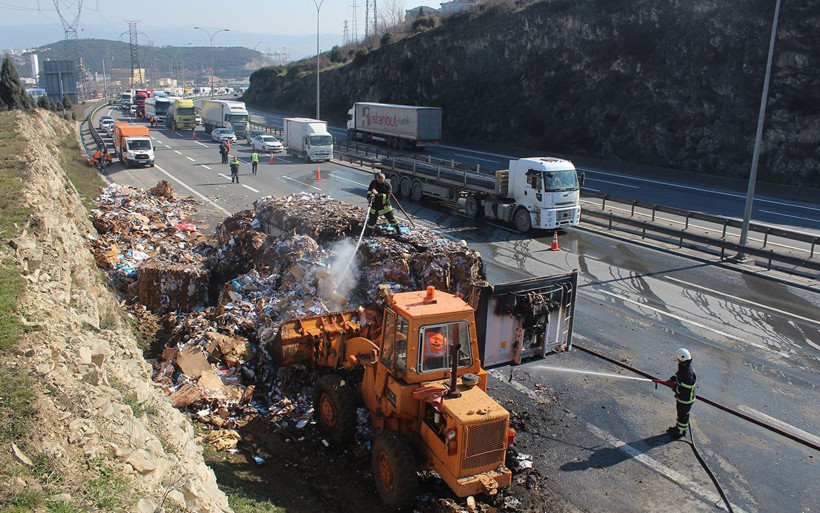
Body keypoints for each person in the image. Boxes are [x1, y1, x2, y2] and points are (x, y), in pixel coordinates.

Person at [667, 348, 697, 439]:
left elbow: (684, 390)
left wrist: (674, 388)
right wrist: (673, 379)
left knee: (683, 416)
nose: (677, 361)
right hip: (682, 398)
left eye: (678, 359)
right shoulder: (684, 367)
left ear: (682, 358)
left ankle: (680, 432)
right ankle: (678, 428)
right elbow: (679, 375)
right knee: (680, 414)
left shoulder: (688, 374)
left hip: (686, 399)